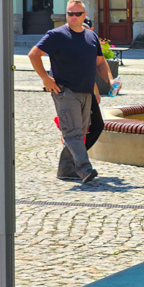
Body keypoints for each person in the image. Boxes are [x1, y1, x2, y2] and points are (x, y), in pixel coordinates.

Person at [28, 0, 112, 183]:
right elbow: (34, 54)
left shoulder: (91, 37)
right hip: (65, 91)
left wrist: (110, 81)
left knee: (80, 132)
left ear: (84, 16)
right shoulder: (56, 35)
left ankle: (66, 170)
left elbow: (99, 63)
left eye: (77, 14)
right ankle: (84, 169)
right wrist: (45, 78)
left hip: (85, 91)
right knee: (73, 132)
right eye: (70, 13)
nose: (73, 17)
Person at [56, 17, 106, 179]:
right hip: (71, 91)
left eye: (85, 27)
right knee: (75, 132)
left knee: (96, 125)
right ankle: (81, 167)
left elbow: (91, 68)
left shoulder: (90, 42)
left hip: (87, 90)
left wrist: (96, 89)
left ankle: (68, 165)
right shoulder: (67, 40)